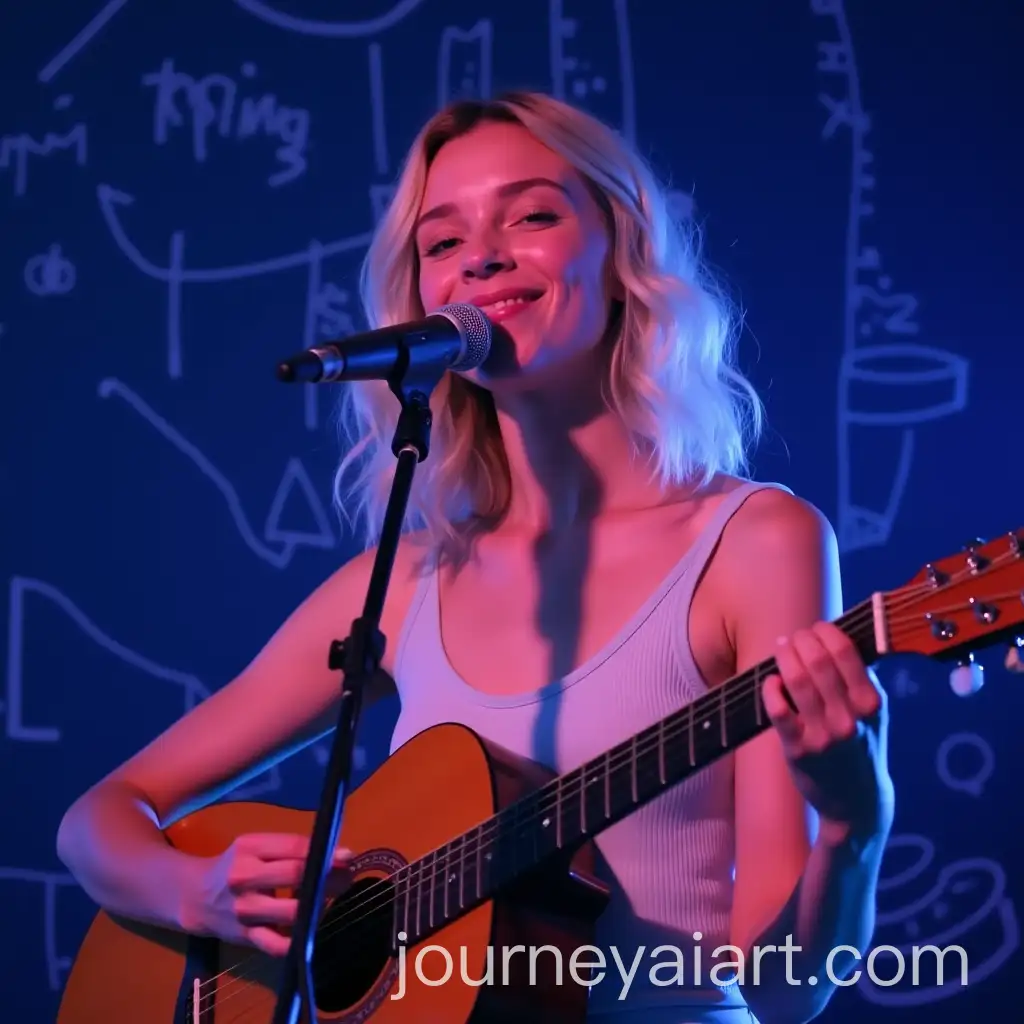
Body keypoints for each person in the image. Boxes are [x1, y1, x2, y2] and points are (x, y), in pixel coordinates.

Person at [57, 91, 894, 1023]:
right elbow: (97, 820)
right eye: (442, 241)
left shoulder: (755, 544)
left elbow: (784, 996)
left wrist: (854, 825)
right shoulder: (412, 580)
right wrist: (195, 894)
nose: (482, 257)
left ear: (620, 256)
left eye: (532, 215)